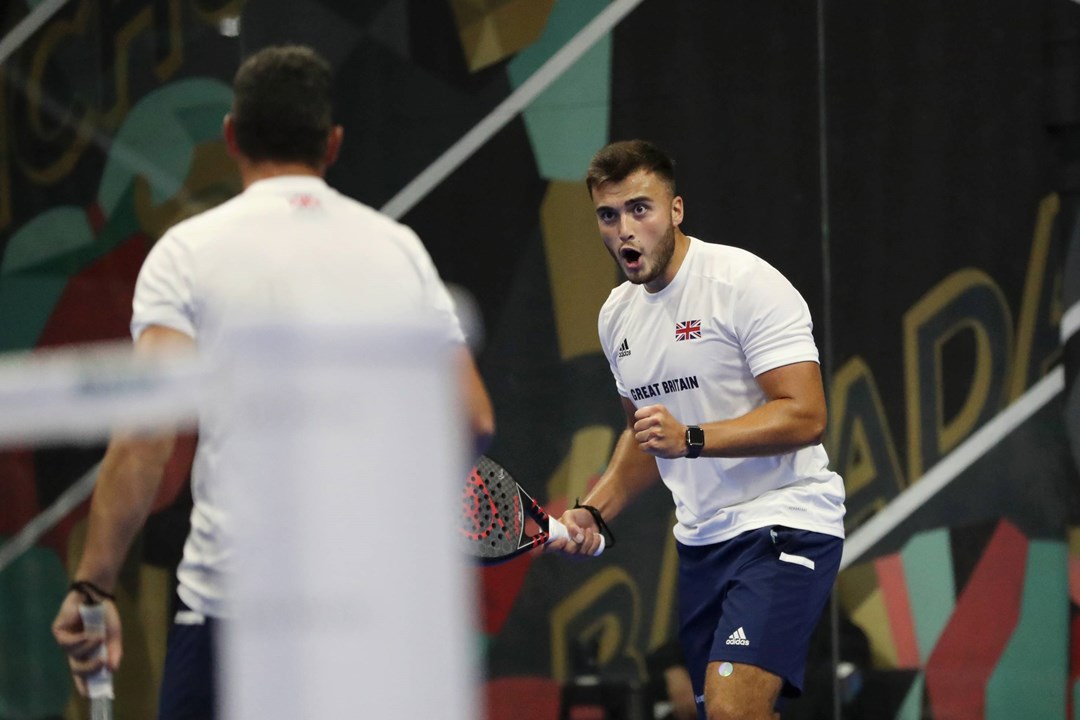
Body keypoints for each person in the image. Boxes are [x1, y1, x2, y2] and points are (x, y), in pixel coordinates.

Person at [51, 45, 494, 719]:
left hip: (231, 621)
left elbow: (145, 436)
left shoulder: (187, 254)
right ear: (334, 144)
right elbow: (472, 420)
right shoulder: (396, 250)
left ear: (231, 135)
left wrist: (95, 587)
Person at [550, 139, 845, 720]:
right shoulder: (617, 317)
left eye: (641, 209)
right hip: (703, 545)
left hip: (785, 521)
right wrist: (596, 511)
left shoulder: (742, 283)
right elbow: (645, 434)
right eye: (608, 216)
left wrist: (694, 439)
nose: (624, 231)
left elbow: (807, 414)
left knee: (734, 710)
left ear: (677, 210)